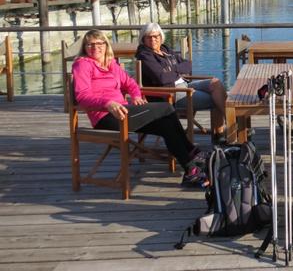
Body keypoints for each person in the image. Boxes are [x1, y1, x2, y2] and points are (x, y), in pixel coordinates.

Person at [72, 30, 206, 186]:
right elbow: (82, 96)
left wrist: (135, 95)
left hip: (124, 112)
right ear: (85, 47)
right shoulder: (82, 65)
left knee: (166, 125)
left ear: (106, 45)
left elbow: (130, 83)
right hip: (105, 117)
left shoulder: (111, 63)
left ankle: (190, 168)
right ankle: (193, 153)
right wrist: (107, 104)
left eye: (99, 43)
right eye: (90, 44)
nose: (95, 47)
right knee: (165, 108)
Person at [135, 23, 227, 143]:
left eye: (156, 36)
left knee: (216, 83)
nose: (153, 39)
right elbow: (161, 78)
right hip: (172, 93)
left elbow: (188, 65)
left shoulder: (165, 49)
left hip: (184, 85)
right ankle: (220, 135)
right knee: (215, 98)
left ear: (161, 37)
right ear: (143, 39)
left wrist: (173, 70)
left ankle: (229, 119)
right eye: (149, 37)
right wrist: (177, 70)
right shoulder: (145, 55)